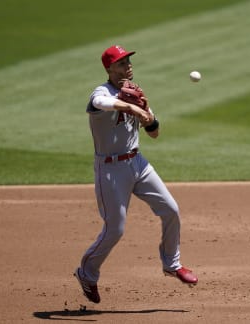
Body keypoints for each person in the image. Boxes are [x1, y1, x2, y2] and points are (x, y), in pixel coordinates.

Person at [74, 45, 198, 304]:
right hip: (110, 169)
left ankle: (172, 264)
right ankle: (86, 272)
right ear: (109, 69)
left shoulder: (136, 93)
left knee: (171, 209)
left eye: (128, 61)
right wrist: (132, 109)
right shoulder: (102, 92)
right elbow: (99, 103)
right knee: (115, 230)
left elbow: (154, 133)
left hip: (138, 163)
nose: (127, 66)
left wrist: (146, 110)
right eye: (121, 63)